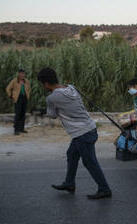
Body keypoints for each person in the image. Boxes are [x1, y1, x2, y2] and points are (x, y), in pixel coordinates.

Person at [37, 68, 111, 200]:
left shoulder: (52, 98)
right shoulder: (71, 87)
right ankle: (69, 183)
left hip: (82, 133)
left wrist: (43, 110)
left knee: (90, 162)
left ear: (46, 83)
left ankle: (104, 189)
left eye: (43, 84)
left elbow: (53, 115)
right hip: (89, 128)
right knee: (71, 154)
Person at [6, 69, 31, 135]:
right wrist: (11, 96)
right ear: (19, 74)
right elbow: (8, 88)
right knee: (18, 114)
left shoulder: (26, 81)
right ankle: (16, 130)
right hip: (18, 99)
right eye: (21, 73)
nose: (23, 75)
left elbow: (29, 88)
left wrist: (28, 94)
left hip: (24, 98)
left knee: (23, 114)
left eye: (24, 73)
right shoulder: (14, 81)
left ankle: (21, 129)